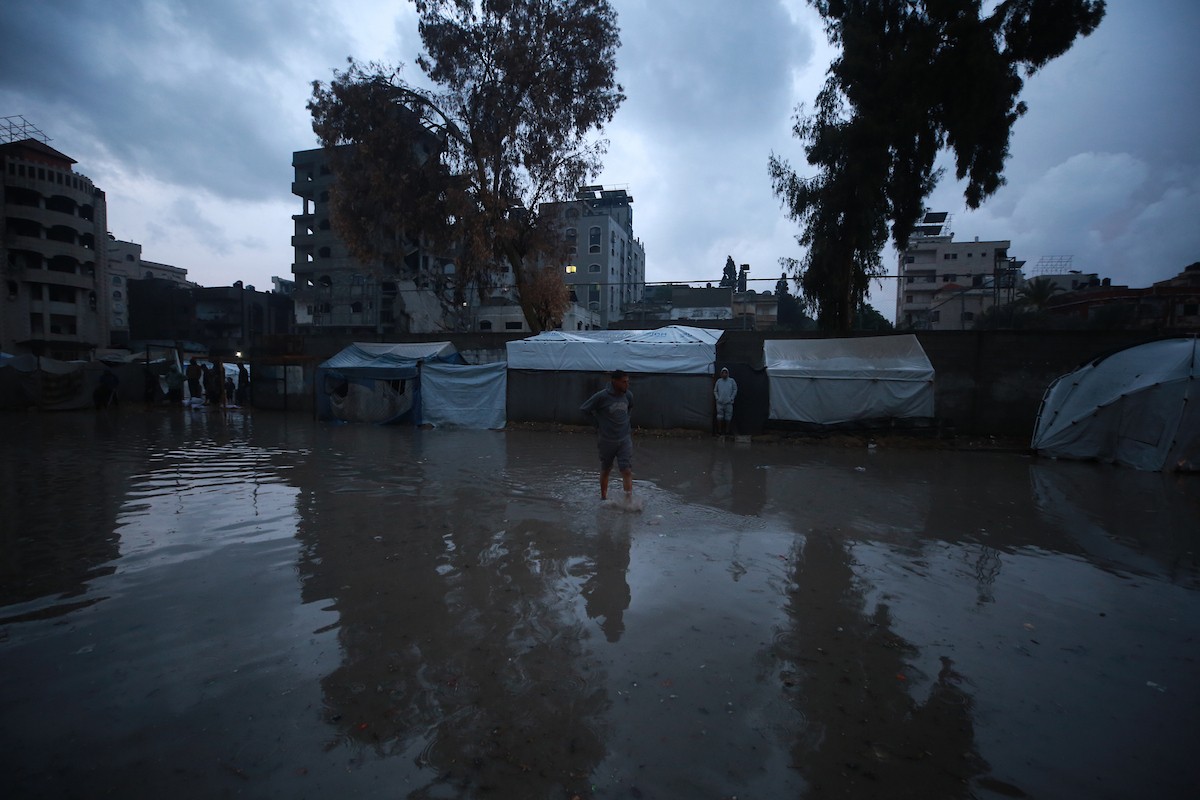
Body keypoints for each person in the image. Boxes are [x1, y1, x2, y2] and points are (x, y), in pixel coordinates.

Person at [580, 369, 635, 505]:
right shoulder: (602, 397)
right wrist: (597, 425)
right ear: (614, 382)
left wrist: (626, 424)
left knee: (626, 470)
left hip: (624, 439)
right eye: (623, 382)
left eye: (627, 382)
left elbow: (630, 408)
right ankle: (603, 498)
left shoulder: (628, 395)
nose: (626, 385)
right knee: (606, 469)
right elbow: (584, 410)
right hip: (606, 440)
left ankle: (628, 502)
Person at [714, 366, 738, 436]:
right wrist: (717, 398)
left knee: (728, 417)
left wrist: (731, 398)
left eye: (725, 373)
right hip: (720, 403)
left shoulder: (731, 381)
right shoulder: (719, 381)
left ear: (728, 374)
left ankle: (727, 431)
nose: (724, 374)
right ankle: (719, 431)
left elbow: (735, 389)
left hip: (729, 403)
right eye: (723, 373)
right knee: (719, 417)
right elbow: (715, 390)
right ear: (721, 374)